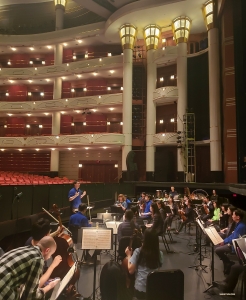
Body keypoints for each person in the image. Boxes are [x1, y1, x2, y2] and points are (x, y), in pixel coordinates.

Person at [125, 228, 163, 299]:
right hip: (154, 288)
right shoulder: (160, 254)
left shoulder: (138, 252)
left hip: (140, 289)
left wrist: (129, 255)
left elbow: (131, 270)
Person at [24, 218, 62, 288]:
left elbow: (46, 238)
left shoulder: (31, 239)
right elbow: (36, 285)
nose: (50, 234)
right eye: (49, 232)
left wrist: (56, 232)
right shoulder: (37, 258)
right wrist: (53, 265)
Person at [215, 209, 246, 275]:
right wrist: (224, 241)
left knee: (217, 250)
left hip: (235, 246)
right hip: (232, 243)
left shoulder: (241, 226)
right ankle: (226, 263)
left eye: (233, 215)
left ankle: (228, 262)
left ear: (238, 217)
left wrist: (225, 242)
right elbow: (232, 235)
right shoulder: (238, 224)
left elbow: (235, 239)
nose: (232, 216)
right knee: (217, 247)